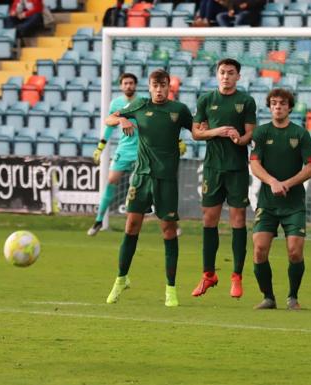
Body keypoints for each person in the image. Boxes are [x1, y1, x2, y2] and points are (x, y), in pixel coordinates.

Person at [104, 69, 193, 307]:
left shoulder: (179, 110)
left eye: (163, 85)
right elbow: (108, 119)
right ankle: (121, 279)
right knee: (131, 226)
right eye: (155, 85)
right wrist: (122, 119)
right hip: (141, 177)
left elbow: (198, 131)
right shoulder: (140, 106)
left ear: (168, 87)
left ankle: (170, 289)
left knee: (168, 231)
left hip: (166, 180)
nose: (159, 89)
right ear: (150, 87)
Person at [190, 58, 256, 299]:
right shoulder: (206, 100)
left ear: (238, 76)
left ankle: (236, 277)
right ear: (217, 75)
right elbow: (196, 133)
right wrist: (216, 131)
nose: (226, 76)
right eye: (222, 72)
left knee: (238, 219)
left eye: (230, 73)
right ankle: (208, 275)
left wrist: (241, 138)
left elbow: (251, 132)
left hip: (237, 168)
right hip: (212, 168)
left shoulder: (246, 101)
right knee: (209, 220)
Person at [249, 88, 311, 310]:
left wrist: (287, 183)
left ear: (289, 107)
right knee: (259, 249)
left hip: (294, 204)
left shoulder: (300, 134)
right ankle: (268, 297)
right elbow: (255, 163)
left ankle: (293, 297)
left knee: (295, 251)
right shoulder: (261, 133)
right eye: (274, 103)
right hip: (267, 203)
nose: (278, 106)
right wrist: (272, 182)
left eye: (282, 103)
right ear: (269, 107)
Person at [87, 73, 140, 236]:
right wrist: (100, 147)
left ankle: (170, 223)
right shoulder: (116, 104)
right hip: (123, 150)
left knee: (140, 184)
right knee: (111, 181)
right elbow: (109, 126)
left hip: (141, 150)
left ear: (135, 85)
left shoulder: (143, 102)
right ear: (121, 86)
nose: (128, 86)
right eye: (125, 83)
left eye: (131, 83)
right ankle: (98, 220)